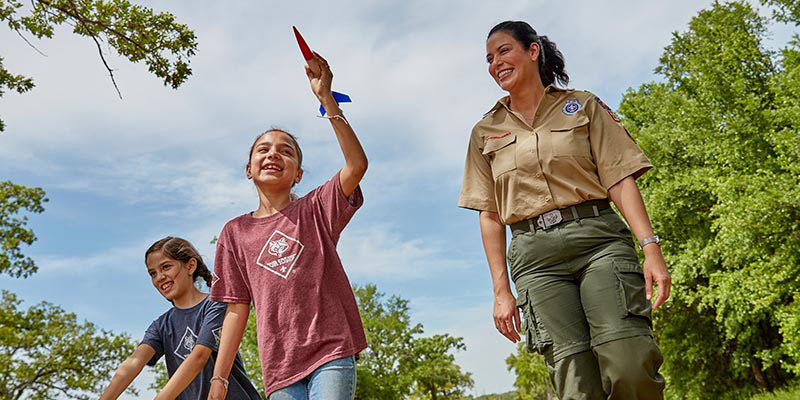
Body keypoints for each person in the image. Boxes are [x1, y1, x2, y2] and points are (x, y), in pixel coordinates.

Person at [458, 20, 671, 399]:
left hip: (598, 241)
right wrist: (500, 291)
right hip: (534, 259)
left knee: (628, 362)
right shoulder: (484, 132)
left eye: (504, 50)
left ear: (533, 50)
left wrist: (650, 248)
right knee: (574, 383)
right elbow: (489, 214)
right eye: (489, 59)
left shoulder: (582, 106)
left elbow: (620, 180)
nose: (495, 63)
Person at [207, 50, 368, 400]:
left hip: (331, 351)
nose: (273, 155)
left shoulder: (316, 208)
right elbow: (236, 309)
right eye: (263, 150)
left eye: (286, 151)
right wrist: (219, 379)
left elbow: (356, 166)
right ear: (248, 169)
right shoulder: (234, 233)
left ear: (298, 174)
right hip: (280, 369)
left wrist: (327, 100)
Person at [100, 237, 262, 400]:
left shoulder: (216, 304)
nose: (159, 277)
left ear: (190, 266)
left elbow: (199, 356)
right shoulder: (161, 325)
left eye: (166, 267)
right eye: (153, 273)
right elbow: (133, 363)